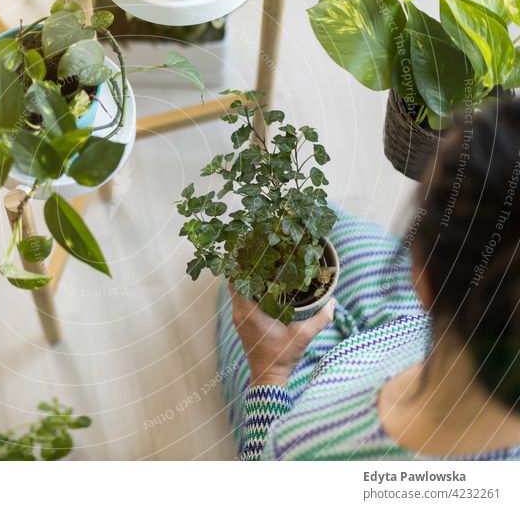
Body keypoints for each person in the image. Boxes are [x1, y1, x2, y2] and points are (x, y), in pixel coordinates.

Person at [218, 102, 520, 460]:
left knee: (243, 297)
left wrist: (270, 372)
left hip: (325, 393)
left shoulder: (304, 450)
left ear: (421, 277)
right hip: (408, 334)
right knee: (313, 219)